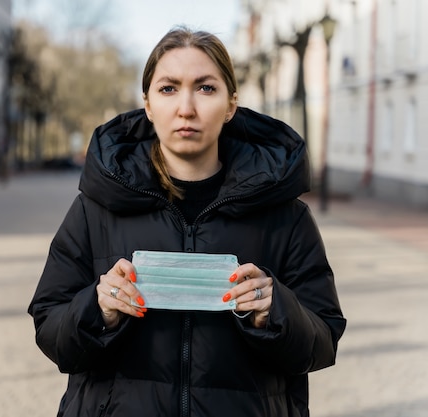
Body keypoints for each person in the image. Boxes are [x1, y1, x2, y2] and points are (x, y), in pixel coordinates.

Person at [28, 27, 346, 417]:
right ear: (147, 104)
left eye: (206, 88)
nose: (186, 108)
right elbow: (50, 331)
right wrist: (98, 308)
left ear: (231, 104)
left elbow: (323, 340)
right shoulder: (96, 209)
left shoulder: (286, 216)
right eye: (168, 88)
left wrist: (274, 309)